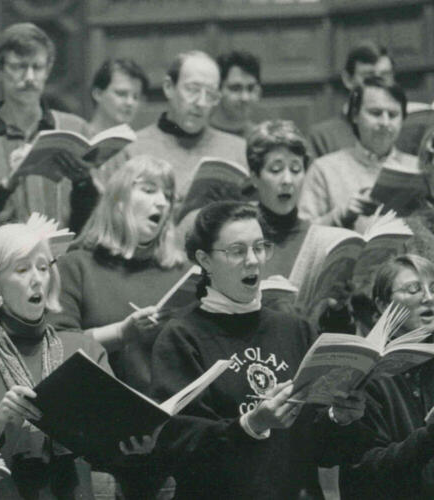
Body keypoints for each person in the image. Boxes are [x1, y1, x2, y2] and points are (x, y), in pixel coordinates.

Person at [149, 201, 365, 499]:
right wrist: (250, 425)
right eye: (237, 251)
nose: (253, 260)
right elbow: (179, 445)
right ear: (205, 260)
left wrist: (339, 418)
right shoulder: (182, 336)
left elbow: (321, 453)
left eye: (260, 247)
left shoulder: (296, 329)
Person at [0, 219, 110, 498]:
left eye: (43, 268)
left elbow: (114, 444)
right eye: (22, 269)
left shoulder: (85, 350)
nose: (37, 279)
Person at [48, 154, 187, 393]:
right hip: (98, 408)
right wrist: (121, 334)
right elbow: (53, 349)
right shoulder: (75, 266)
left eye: (167, 195)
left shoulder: (183, 274)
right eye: (149, 190)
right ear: (118, 202)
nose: (163, 202)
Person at [0, 23, 93, 229]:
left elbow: (96, 218)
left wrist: (83, 184)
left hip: (62, 256)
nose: (29, 78)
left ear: (48, 70)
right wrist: (6, 185)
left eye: (37, 67)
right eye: (19, 67)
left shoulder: (76, 129)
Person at [339, 254, 434, 499]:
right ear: (382, 305)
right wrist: (428, 436)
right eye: (413, 289)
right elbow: (366, 468)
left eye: (433, 288)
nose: (429, 297)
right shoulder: (365, 369)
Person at [101, 50, 247, 202]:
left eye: (210, 94)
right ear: (169, 87)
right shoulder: (130, 149)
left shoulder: (238, 150)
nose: (201, 103)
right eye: (192, 90)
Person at [299, 77, 417, 231]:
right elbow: (301, 238)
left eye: (393, 115)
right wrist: (339, 215)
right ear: (355, 115)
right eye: (375, 113)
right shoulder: (324, 169)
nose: (385, 123)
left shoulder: (419, 168)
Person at [247, 120, 312, 278]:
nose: (288, 180)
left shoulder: (314, 237)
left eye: (296, 169)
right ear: (255, 177)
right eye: (276, 170)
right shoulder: (240, 234)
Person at [308, 41, 394, 157]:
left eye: (385, 76)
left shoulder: (401, 130)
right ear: (348, 80)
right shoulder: (322, 136)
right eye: (368, 77)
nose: (378, 84)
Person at [86, 58, 148, 137]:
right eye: (121, 94)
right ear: (98, 94)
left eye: (136, 97)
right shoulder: (77, 139)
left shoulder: (142, 144)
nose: (130, 102)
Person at [210, 50, 261, 138]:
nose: (245, 98)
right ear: (217, 91)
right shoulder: (197, 138)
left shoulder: (261, 141)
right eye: (235, 88)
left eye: (250, 88)